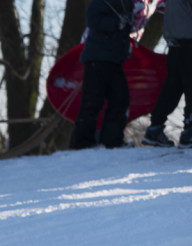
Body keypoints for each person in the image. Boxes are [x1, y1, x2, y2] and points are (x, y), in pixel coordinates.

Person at [71, 0, 136, 150]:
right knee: (92, 102)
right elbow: (92, 18)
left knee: (120, 99)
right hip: (97, 58)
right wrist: (114, 23)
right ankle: (82, 143)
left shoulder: (127, 4)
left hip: (115, 60)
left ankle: (112, 141)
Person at [142, 0, 192, 148]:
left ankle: (155, 127)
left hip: (174, 43)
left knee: (172, 87)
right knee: (188, 85)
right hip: (188, 42)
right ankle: (189, 130)